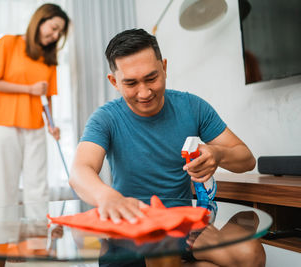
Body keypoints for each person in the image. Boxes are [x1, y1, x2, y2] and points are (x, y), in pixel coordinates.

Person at [69, 29, 265, 266]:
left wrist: (218, 153)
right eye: (130, 83)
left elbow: (246, 159)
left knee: (250, 253)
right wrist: (108, 197)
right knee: (163, 252)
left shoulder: (192, 107)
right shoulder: (105, 119)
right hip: (131, 234)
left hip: (184, 228)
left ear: (164, 67)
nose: (144, 92)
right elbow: (80, 170)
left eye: (152, 78)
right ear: (114, 82)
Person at [0, 3, 70, 208]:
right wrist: (29, 89)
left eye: (60, 32)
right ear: (40, 21)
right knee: (5, 185)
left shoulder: (49, 57)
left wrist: (51, 123)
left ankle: (38, 237)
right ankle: (3, 239)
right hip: (6, 124)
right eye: (54, 28)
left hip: (35, 126)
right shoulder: (8, 43)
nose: (56, 35)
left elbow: (47, 96)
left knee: (38, 186)